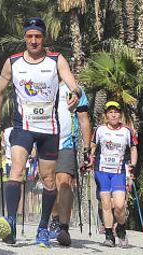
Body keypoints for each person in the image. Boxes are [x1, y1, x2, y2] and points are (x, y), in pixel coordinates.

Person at [0, 17, 82, 247]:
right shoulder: (13, 62)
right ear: (25, 38)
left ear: (43, 38)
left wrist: (76, 92)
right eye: (30, 36)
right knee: (17, 169)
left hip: (49, 128)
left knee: (49, 179)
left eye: (38, 37)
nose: (34, 41)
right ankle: (10, 221)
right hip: (23, 125)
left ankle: (43, 228)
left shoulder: (55, 59)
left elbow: (72, 82)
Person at [89, 101, 137, 248]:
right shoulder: (100, 130)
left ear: (120, 114)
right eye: (110, 112)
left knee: (119, 205)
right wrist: (90, 159)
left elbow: (133, 148)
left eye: (116, 111)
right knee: (105, 203)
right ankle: (109, 236)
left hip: (118, 172)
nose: (113, 114)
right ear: (106, 115)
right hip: (102, 171)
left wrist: (133, 165)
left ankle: (121, 229)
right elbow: (93, 146)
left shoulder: (127, 131)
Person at [49, 82, 91, 246]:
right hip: (46, 142)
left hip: (66, 144)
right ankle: (54, 217)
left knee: (65, 183)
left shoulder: (76, 89)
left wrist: (87, 150)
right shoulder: (43, 82)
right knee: (51, 185)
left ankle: (63, 228)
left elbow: (84, 120)